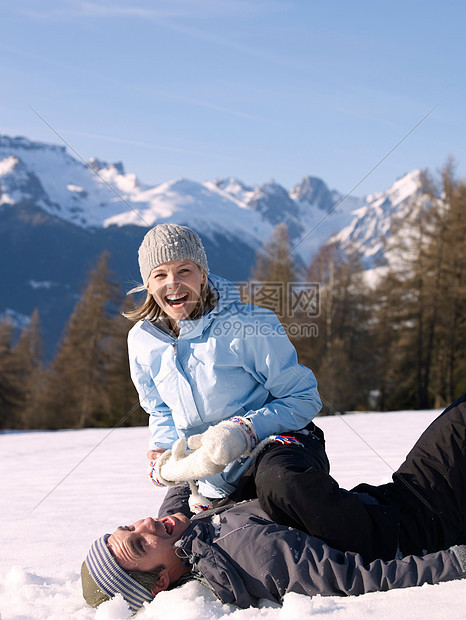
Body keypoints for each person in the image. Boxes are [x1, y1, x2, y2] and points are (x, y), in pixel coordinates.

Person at [81, 394, 466, 613]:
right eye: (138, 544)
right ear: (160, 583)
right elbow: (359, 579)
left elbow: (177, 497)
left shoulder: (187, 540)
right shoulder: (249, 554)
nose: (145, 524)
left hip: (398, 499)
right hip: (426, 520)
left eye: (128, 527)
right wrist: (459, 561)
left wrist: (170, 461)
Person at [124, 223, 322, 510]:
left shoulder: (247, 326)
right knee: (171, 534)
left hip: (274, 450)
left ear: (202, 276)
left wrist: (247, 429)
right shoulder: (142, 341)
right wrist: (164, 448)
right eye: (160, 275)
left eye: (184, 270)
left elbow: (304, 398)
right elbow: (160, 408)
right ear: (149, 284)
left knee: (280, 489)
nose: (173, 283)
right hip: (205, 472)